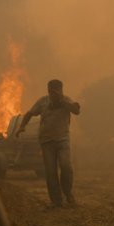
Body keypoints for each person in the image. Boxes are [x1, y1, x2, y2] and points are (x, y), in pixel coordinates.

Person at [16, 79, 81, 209]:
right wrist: (22, 126)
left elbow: (76, 110)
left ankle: (68, 193)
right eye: (50, 91)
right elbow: (29, 113)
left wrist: (62, 102)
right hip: (46, 142)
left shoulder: (66, 100)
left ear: (61, 90)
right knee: (50, 172)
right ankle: (56, 201)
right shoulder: (43, 101)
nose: (52, 94)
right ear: (48, 91)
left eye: (55, 91)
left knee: (66, 166)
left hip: (63, 139)